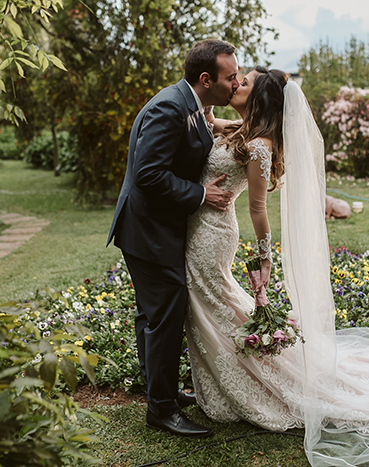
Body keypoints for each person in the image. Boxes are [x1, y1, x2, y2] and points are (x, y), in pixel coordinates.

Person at [184, 67, 369, 466]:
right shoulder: (240, 130)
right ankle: (227, 379)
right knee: (215, 309)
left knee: (214, 307)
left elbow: (258, 208)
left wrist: (265, 261)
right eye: (237, 79)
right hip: (202, 227)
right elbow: (211, 120)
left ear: (260, 100)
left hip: (213, 235)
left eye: (245, 82)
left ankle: (255, 383)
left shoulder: (259, 145)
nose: (236, 83)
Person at [107, 39, 240, 438]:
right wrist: (201, 194)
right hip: (147, 229)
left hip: (156, 227)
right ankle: (161, 411)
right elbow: (148, 174)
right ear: (206, 79)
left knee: (154, 313)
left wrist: (232, 124)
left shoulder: (193, 105)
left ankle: (158, 392)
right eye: (230, 76)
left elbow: (199, 133)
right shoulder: (170, 107)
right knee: (165, 313)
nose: (236, 82)